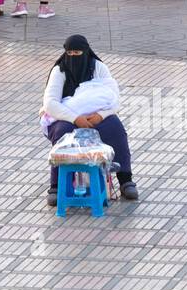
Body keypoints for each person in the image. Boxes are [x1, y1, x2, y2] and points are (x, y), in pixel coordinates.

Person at [40, 35, 138, 206]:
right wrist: (75, 118)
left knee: (115, 129)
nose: (73, 56)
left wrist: (101, 115)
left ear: (85, 52)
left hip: (96, 114)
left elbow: (114, 99)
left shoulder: (98, 67)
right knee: (62, 132)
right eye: (69, 52)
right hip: (66, 114)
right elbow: (50, 103)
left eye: (77, 52)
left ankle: (125, 179)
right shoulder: (60, 70)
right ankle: (56, 186)